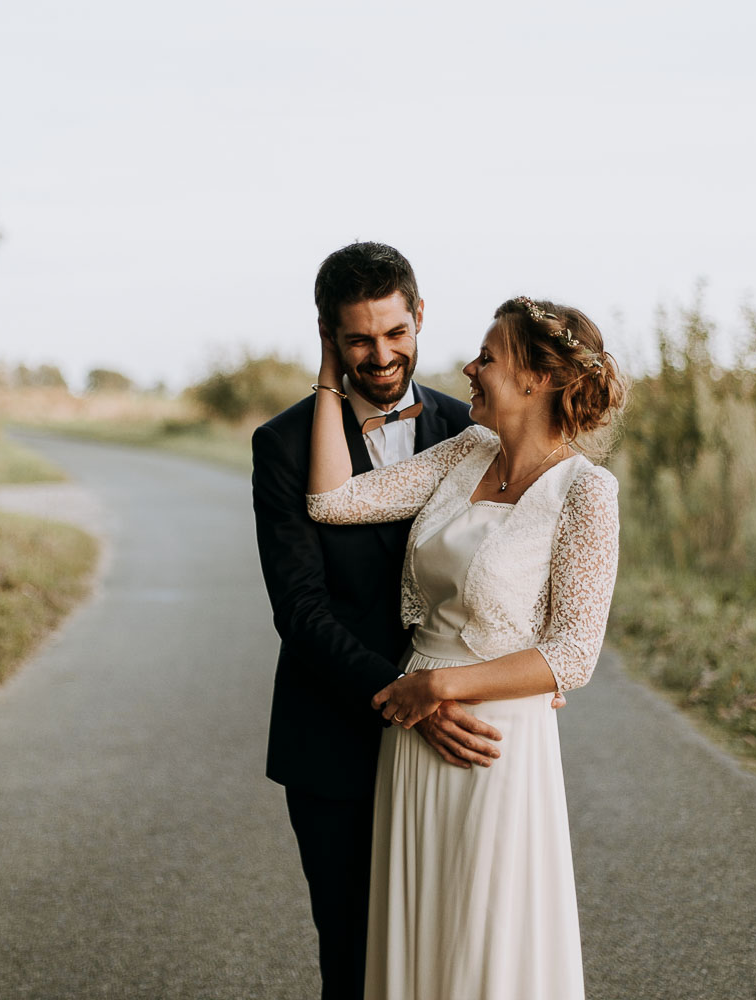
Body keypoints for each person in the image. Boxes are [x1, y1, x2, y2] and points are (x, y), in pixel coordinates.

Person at [306, 295, 627, 1000]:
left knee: (487, 938)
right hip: (412, 734)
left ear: (537, 379)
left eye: (488, 356)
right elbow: (332, 501)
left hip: (493, 738)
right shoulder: (465, 451)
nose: (470, 368)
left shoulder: (586, 493)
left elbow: (572, 654)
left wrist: (438, 690)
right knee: (421, 938)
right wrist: (330, 375)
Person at [251, 242, 495, 1000]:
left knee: (447, 947)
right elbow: (300, 607)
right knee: (354, 955)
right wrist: (402, 695)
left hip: (449, 739)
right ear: (328, 335)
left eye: (394, 332)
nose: (380, 354)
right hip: (334, 738)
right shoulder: (283, 445)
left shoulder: (472, 432)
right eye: (357, 338)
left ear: (419, 316)